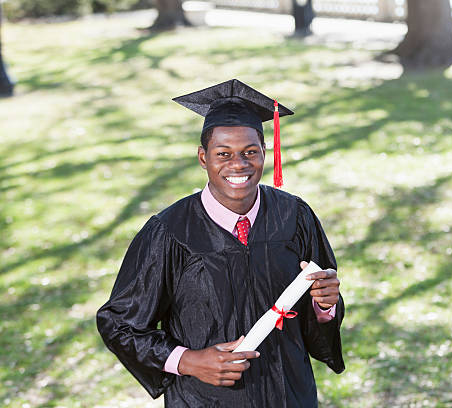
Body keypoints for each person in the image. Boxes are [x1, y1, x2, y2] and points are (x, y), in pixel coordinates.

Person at [96, 79, 345, 407]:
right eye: (223, 153)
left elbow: (319, 310)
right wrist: (188, 361)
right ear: (203, 157)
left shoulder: (294, 216)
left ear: (265, 153)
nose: (239, 164)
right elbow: (119, 323)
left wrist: (324, 305)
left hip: (289, 394)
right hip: (204, 400)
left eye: (250, 152)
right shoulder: (170, 232)